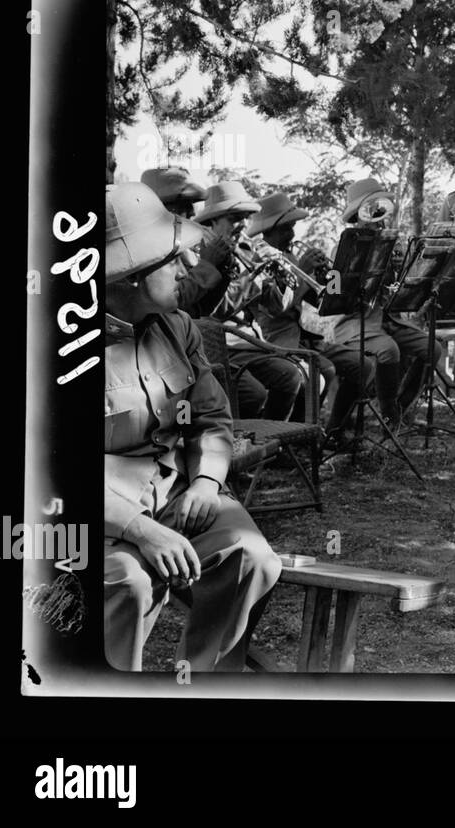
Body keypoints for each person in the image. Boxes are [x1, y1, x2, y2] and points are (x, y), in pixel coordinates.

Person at [103, 182, 281, 671]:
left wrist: (205, 481)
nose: (187, 267)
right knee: (127, 582)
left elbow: (209, 419)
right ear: (130, 277)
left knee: (252, 557)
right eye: (171, 258)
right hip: (100, 519)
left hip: (177, 497)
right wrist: (140, 530)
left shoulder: (176, 327)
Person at [246, 192, 367, 445]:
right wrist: (303, 272)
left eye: (292, 227)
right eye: (287, 228)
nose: (292, 234)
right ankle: (294, 437)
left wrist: (328, 277)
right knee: (325, 370)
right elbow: (277, 309)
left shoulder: (289, 256)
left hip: (304, 338)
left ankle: (332, 431)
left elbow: (324, 301)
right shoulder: (262, 258)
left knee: (360, 365)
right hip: (276, 337)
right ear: (271, 229)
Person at [329, 178, 443, 431]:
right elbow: (333, 293)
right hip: (355, 324)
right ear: (359, 214)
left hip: (388, 320)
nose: (380, 217)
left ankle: (401, 406)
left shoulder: (387, 244)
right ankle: (389, 414)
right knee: (388, 350)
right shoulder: (342, 247)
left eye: (380, 211)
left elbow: (397, 290)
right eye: (373, 211)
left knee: (433, 349)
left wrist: (403, 266)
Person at [197, 181, 303, 422]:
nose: (243, 225)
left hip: (249, 344)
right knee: (252, 395)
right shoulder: (200, 253)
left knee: (290, 377)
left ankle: (272, 445)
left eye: (246, 217)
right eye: (235, 218)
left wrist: (280, 274)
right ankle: (243, 447)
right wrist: (254, 276)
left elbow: (276, 307)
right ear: (212, 222)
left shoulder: (244, 250)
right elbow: (215, 310)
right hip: (217, 344)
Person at [140, 166, 235, 319]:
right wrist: (208, 265)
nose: (192, 212)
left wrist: (223, 270)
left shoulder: (181, 248)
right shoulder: (145, 250)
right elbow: (171, 302)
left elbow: (200, 309)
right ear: (161, 207)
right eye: (184, 205)